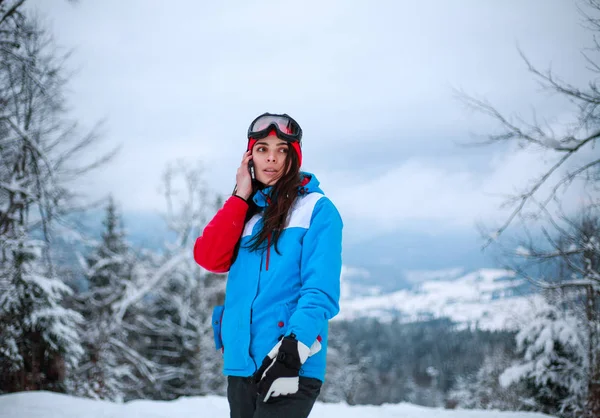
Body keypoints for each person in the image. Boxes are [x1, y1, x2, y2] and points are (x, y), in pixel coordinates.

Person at [193, 112, 343, 418]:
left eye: (281, 150)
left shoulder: (316, 210)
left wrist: (293, 351)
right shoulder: (248, 215)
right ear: (250, 156)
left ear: (293, 158)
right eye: (262, 149)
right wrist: (240, 196)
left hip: (290, 361)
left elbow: (320, 290)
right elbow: (208, 257)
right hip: (241, 363)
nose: (271, 159)